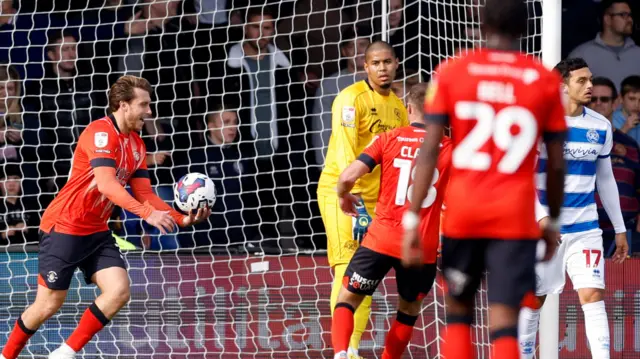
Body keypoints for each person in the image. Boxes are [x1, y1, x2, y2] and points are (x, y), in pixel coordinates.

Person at [0, 75, 211, 359]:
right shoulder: (99, 133)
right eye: (144, 105)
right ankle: (6, 355)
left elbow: (145, 194)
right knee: (48, 304)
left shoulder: (137, 145)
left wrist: (182, 218)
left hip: (96, 232)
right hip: (65, 226)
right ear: (123, 105)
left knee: (119, 291)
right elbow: (107, 184)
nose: (149, 112)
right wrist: (148, 215)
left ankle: (65, 353)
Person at [402, 1, 568, 358]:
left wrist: (413, 215)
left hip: (464, 213)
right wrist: (552, 219)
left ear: (481, 23)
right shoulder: (544, 80)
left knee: (459, 315)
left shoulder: (453, 71)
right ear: (527, 26)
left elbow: (429, 150)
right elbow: (556, 164)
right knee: (505, 320)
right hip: (515, 216)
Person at [518, 58, 629, 359]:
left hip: (586, 230)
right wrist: (542, 219)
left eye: (590, 79)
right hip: (543, 230)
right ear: (561, 85)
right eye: (582, 80)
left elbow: (605, 180)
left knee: (593, 296)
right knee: (534, 299)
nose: (590, 85)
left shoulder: (600, 126)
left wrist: (619, 229)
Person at [331, 83, 451, 359]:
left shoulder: (389, 138)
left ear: (409, 109)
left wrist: (343, 195)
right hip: (421, 247)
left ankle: (340, 355)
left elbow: (347, 177)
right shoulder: (450, 148)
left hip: (381, 239)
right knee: (408, 311)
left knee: (347, 299)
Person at [316, 40, 409, 358]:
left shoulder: (398, 107)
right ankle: (343, 350)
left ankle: (351, 348)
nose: (382, 68)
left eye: (387, 62)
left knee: (364, 275)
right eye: (375, 63)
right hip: (340, 194)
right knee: (347, 268)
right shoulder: (350, 98)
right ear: (365, 66)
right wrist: (352, 196)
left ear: (396, 63)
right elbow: (343, 149)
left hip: (376, 203)